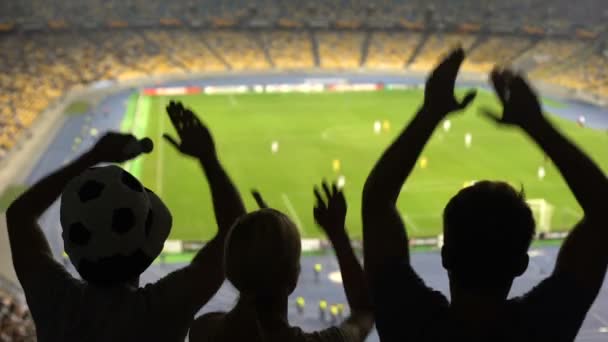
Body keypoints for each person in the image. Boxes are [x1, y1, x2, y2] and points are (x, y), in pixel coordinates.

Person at [362, 47, 607, 341]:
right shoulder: (543, 328)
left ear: (445, 255)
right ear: (521, 264)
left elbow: (376, 202)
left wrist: (430, 112)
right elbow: (604, 213)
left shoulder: (410, 324)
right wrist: (536, 124)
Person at [5, 101, 246, 342]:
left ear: (71, 245)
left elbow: (19, 215)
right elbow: (235, 231)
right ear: (151, 247)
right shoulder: (165, 309)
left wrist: (93, 156)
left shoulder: (55, 303)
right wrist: (208, 158)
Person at [189, 181, 374, 342]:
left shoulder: (203, 330)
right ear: (294, 278)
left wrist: (259, 245)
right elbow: (364, 311)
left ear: (230, 271)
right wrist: (338, 234)